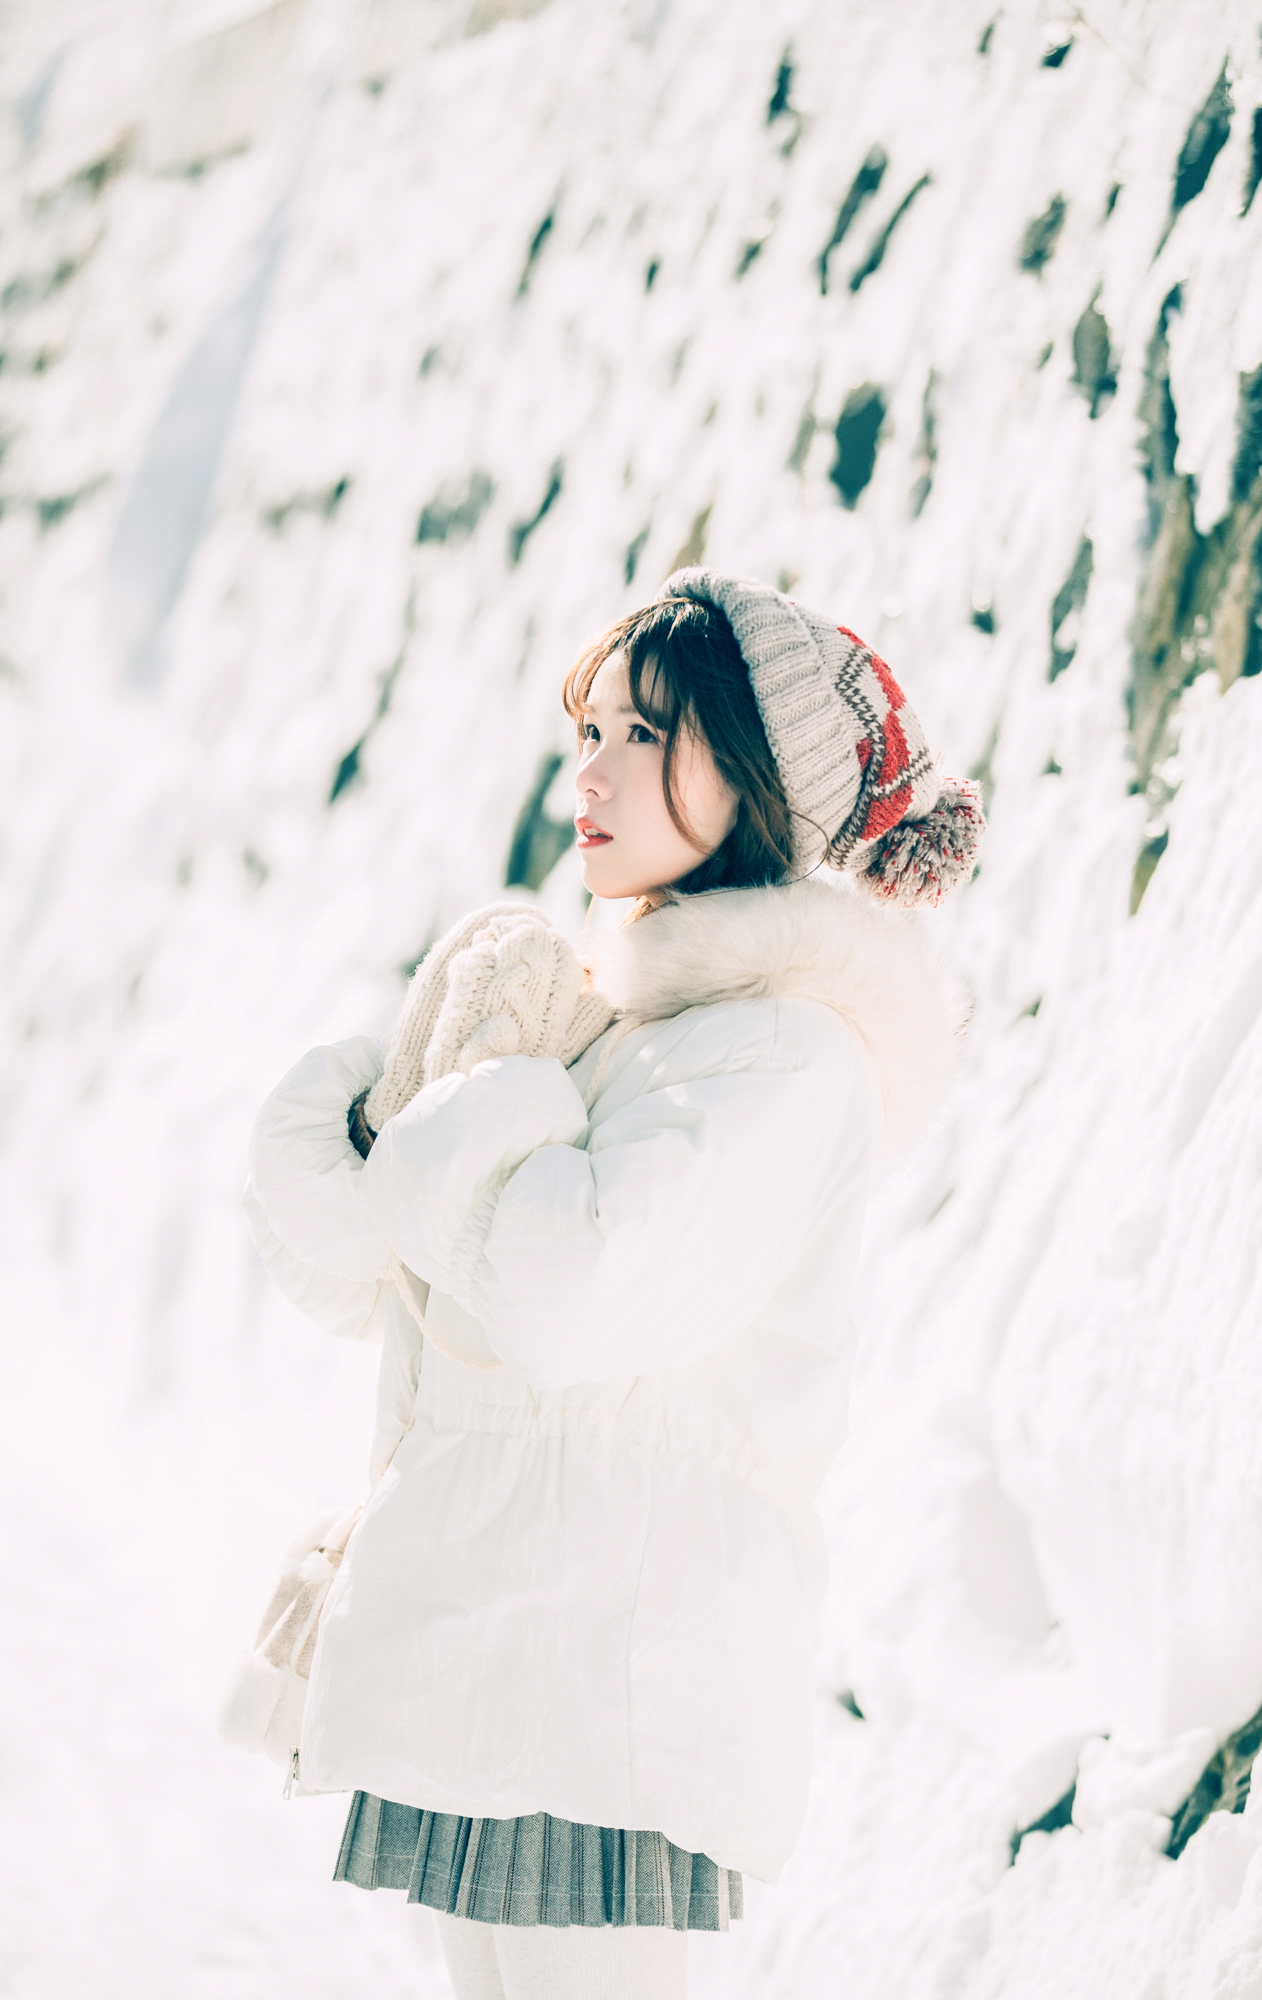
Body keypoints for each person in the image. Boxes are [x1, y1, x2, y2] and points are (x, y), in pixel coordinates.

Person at [244, 567, 984, 1999]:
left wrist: (478, 1098)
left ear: (760, 773)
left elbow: (566, 1294)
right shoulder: (618, 1027)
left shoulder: (786, 1051)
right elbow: (377, 1276)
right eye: (588, 729)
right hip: (496, 1653)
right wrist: (393, 1111)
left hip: (606, 1689)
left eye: (644, 732)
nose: (590, 770)